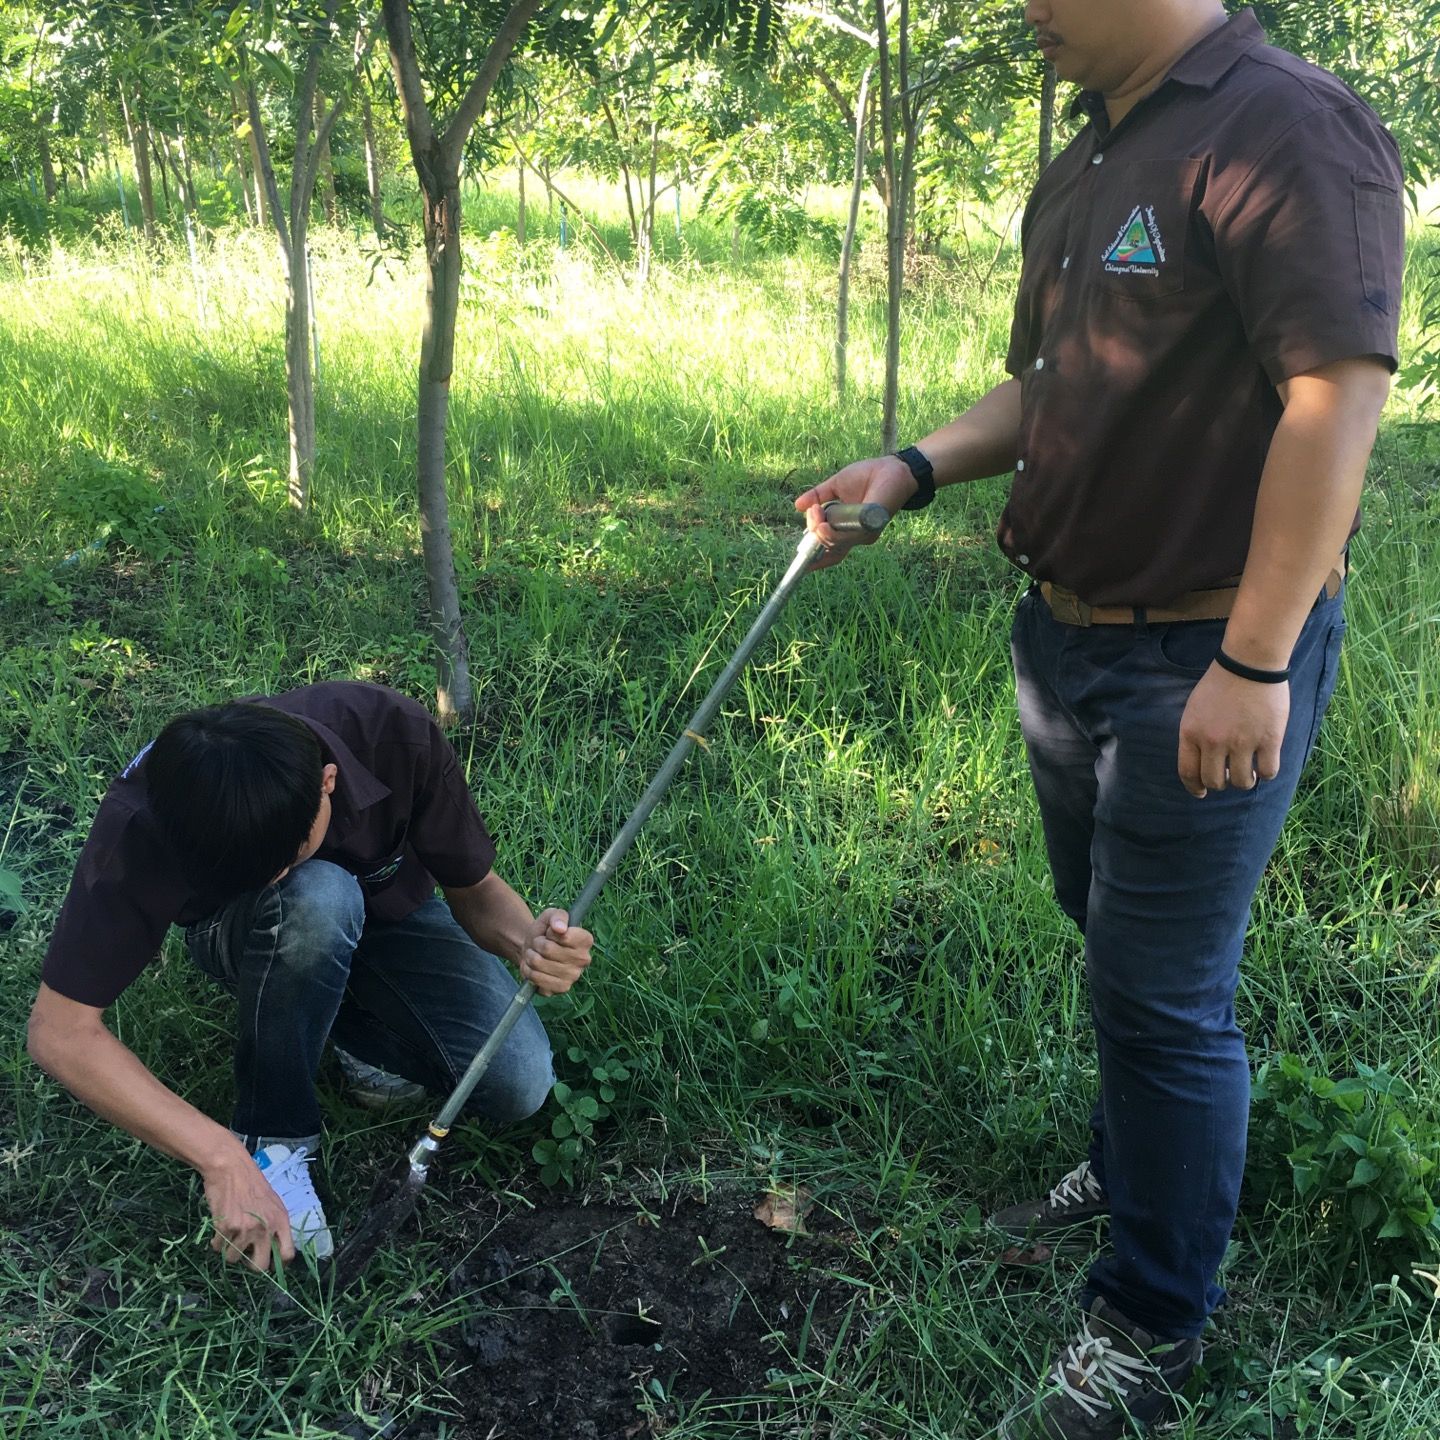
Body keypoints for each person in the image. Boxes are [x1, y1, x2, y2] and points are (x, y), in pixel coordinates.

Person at [795, 4, 1403, 1436]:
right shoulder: (1095, 152)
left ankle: (1153, 1314)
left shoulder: (1283, 127)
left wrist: (1253, 664)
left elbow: (1337, 394)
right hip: (1065, 633)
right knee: (1104, 926)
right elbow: (1066, 379)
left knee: (1162, 995)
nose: (1024, 11)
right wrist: (914, 465)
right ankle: (1140, 1167)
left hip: (1205, 645)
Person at [27, 681, 593, 1271]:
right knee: (316, 895)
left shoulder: (394, 735)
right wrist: (220, 1155)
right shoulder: (147, 814)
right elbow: (60, 1031)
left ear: (329, 783)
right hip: (246, 933)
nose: (270, 878)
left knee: (519, 1083)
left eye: (284, 858)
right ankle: (273, 1138)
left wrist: (528, 941)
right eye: (247, 872)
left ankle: (335, 1019)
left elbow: (475, 895)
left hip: (386, 911)